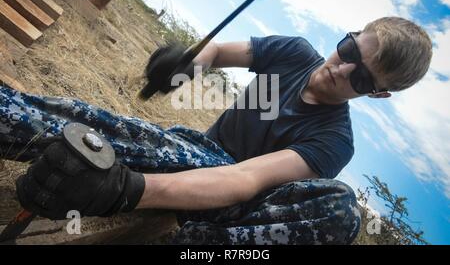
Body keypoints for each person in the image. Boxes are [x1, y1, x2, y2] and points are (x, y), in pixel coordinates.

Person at [0, 17, 432, 244]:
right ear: (350, 34)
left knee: (341, 210)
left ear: (377, 95)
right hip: (191, 151)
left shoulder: (335, 141)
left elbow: (245, 179)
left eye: (361, 79)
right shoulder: (295, 52)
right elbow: (218, 50)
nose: (341, 69)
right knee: (92, 123)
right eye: (348, 50)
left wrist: (126, 190)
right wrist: (190, 63)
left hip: (228, 210)